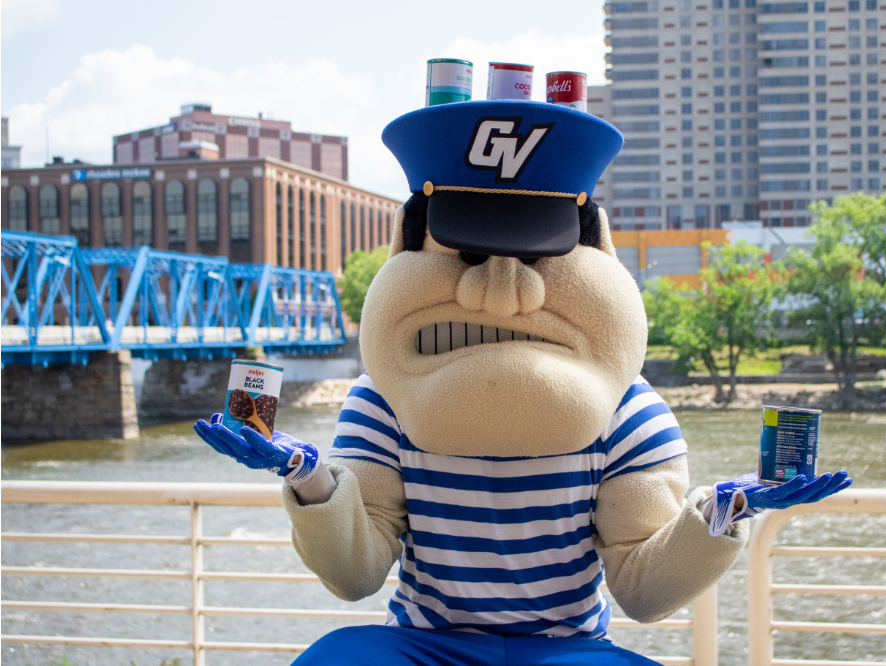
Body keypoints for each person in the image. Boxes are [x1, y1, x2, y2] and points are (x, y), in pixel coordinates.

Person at [195, 99, 851, 665]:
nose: (502, 292)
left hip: (566, 645)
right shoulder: (381, 400)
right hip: (427, 643)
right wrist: (308, 475)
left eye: (538, 254)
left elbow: (643, 589)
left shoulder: (628, 412)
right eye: (470, 254)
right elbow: (356, 574)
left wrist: (722, 511)